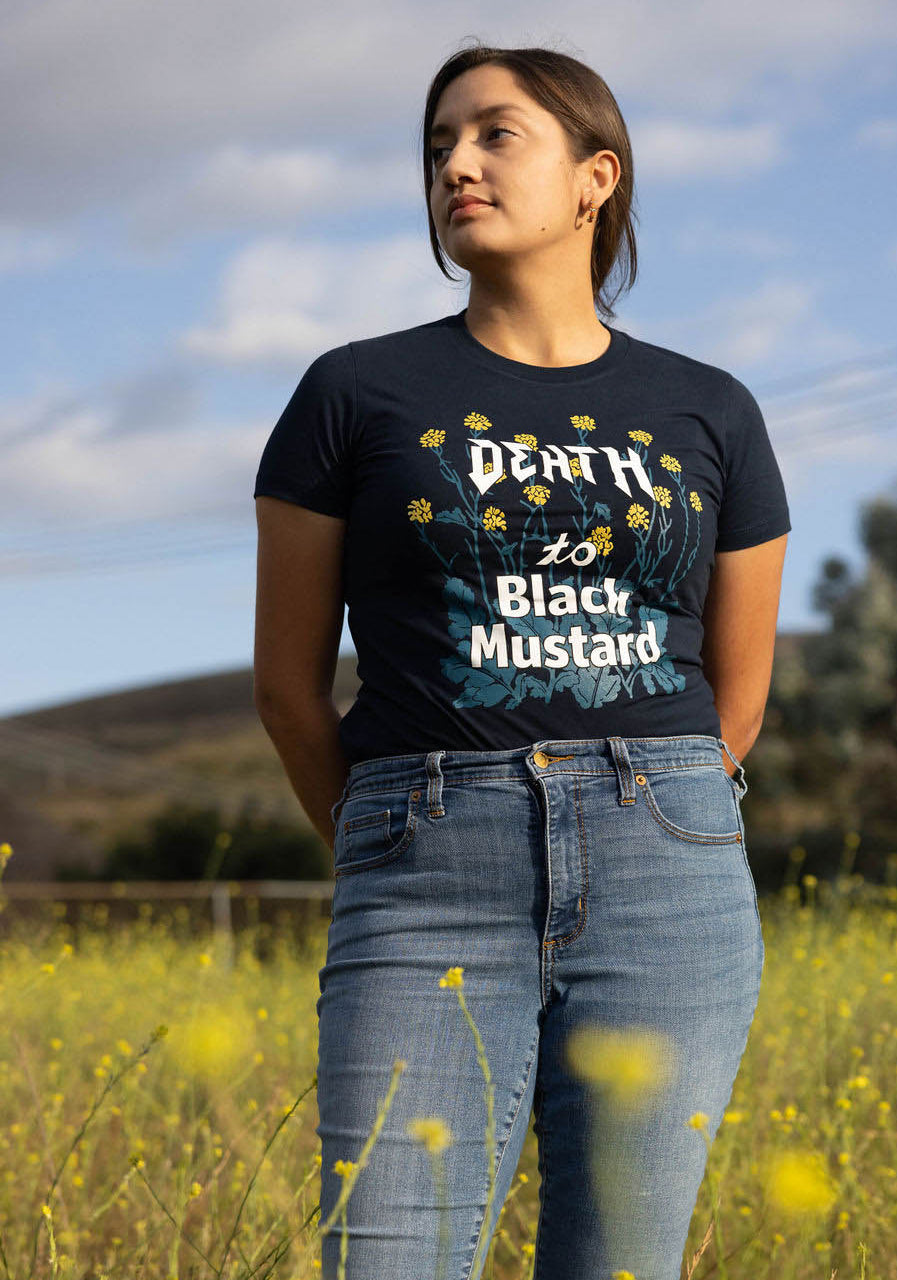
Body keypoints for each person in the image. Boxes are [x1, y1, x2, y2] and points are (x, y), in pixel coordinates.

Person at [253, 42, 790, 1280]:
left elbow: (738, 687)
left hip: (668, 864)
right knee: (385, 1255)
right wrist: (390, 832)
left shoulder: (709, 408)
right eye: (439, 143)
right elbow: (288, 685)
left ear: (595, 176)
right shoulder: (352, 391)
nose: (456, 164)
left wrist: (649, 807)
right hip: (422, 855)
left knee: (619, 1258)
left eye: (495, 134)